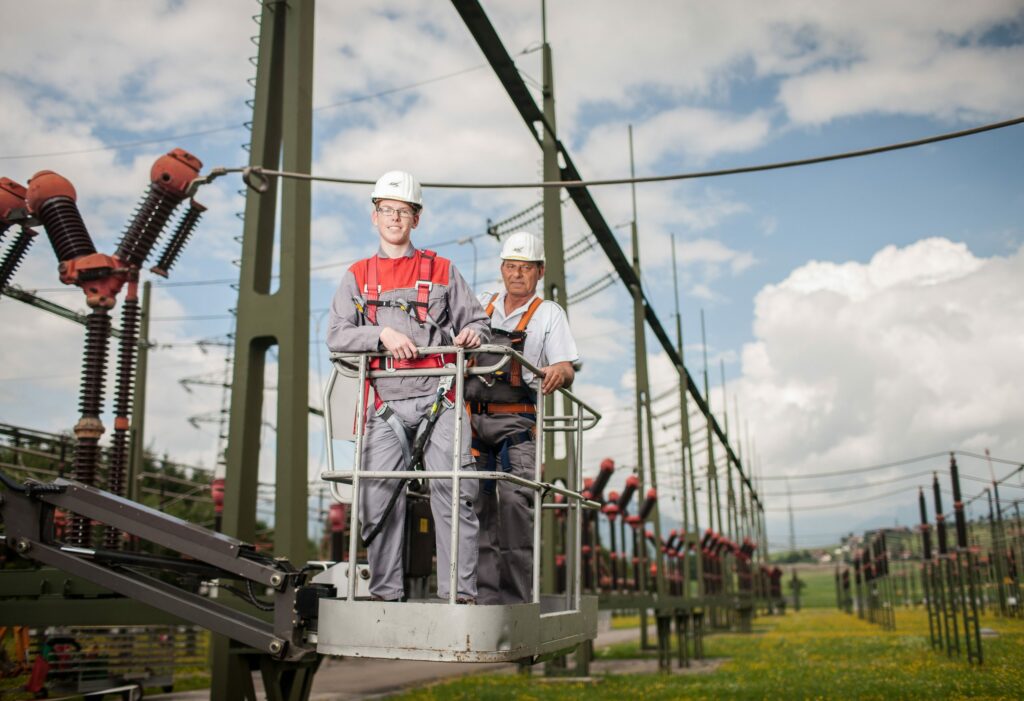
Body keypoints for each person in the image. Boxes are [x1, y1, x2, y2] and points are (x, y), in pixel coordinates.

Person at [326, 170, 489, 603]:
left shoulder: (441, 269)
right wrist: (379, 334)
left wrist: (473, 333)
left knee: (454, 491)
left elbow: (477, 320)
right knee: (377, 498)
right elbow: (337, 333)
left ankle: (460, 595)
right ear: (374, 216)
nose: (395, 218)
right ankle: (385, 595)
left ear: (416, 219)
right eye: (387, 210)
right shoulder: (357, 276)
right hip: (384, 405)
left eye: (403, 211)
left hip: (441, 398)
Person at [467, 231, 579, 604]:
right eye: (511, 267)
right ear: (502, 268)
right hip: (472, 422)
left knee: (515, 508)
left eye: (525, 268)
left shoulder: (549, 314)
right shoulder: (480, 303)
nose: (517, 275)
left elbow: (566, 365)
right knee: (475, 507)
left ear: (540, 271)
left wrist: (558, 374)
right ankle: (483, 600)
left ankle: (516, 603)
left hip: (517, 424)